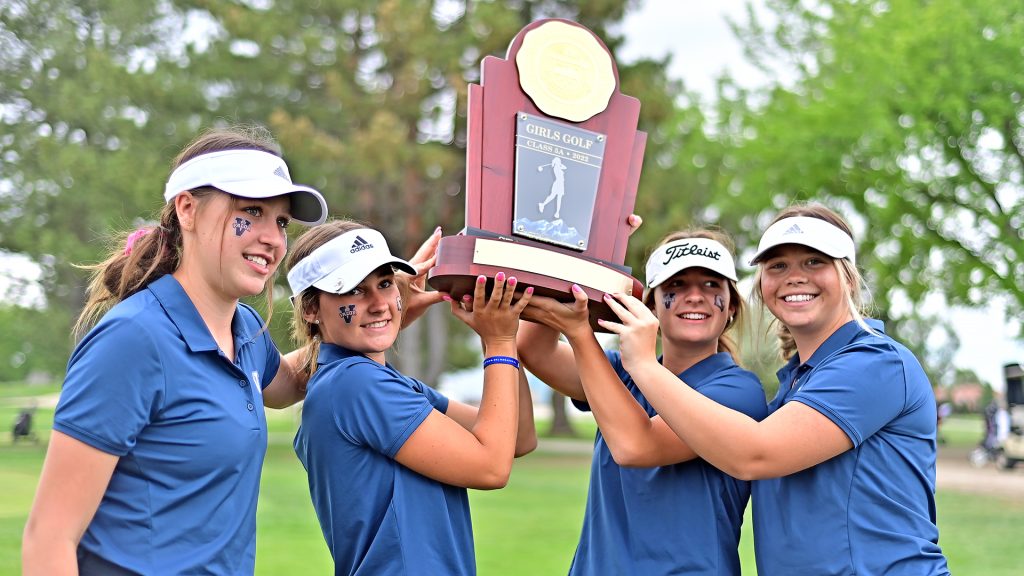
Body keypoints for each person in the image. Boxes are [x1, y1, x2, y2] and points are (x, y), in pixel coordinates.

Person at [21, 127, 436, 575]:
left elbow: (294, 381)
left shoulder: (246, 330)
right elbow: (49, 538)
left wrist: (382, 316)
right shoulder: (134, 339)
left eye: (280, 221)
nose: (273, 238)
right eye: (251, 212)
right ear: (187, 209)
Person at [600, 204, 950, 575]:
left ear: (848, 277)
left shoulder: (875, 362)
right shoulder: (796, 384)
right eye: (778, 265)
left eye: (814, 261)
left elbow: (754, 454)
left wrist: (643, 363)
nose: (795, 277)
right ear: (762, 284)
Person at [287, 220, 537, 575]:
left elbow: (519, 437)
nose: (379, 304)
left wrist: (492, 333)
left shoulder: (381, 383)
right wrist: (500, 342)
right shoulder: (356, 384)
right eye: (354, 290)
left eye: (385, 283)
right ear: (310, 309)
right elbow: (492, 467)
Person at [517, 229, 768, 575]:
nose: (695, 297)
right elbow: (533, 349)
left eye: (711, 285)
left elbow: (636, 446)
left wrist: (579, 332)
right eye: (676, 286)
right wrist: (581, 248)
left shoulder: (739, 391)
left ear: (732, 308)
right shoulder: (621, 373)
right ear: (650, 307)